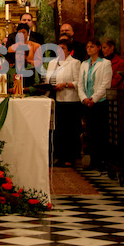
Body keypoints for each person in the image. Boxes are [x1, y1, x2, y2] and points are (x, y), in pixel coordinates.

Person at [44, 38, 82, 166]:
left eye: (63, 48)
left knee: (69, 129)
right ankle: (58, 156)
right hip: (55, 98)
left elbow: (78, 83)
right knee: (58, 129)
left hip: (69, 99)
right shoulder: (52, 63)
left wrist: (65, 84)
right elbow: (48, 79)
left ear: (69, 50)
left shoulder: (75, 63)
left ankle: (70, 158)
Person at [78, 38, 112, 171]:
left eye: (92, 46)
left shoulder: (105, 63)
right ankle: (92, 160)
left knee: (100, 132)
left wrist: (94, 98)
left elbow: (105, 84)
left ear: (98, 48)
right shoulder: (84, 64)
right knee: (90, 133)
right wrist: (84, 98)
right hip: (87, 102)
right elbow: (80, 84)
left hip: (99, 102)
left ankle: (101, 160)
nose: (89, 49)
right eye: (87, 47)